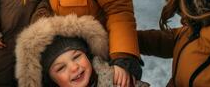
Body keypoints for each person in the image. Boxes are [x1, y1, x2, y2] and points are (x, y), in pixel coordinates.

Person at [15, 14, 149, 87]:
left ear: (88, 55)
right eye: (61, 68)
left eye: (77, 56)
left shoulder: (117, 81)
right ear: (50, 80)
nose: (74, 67)